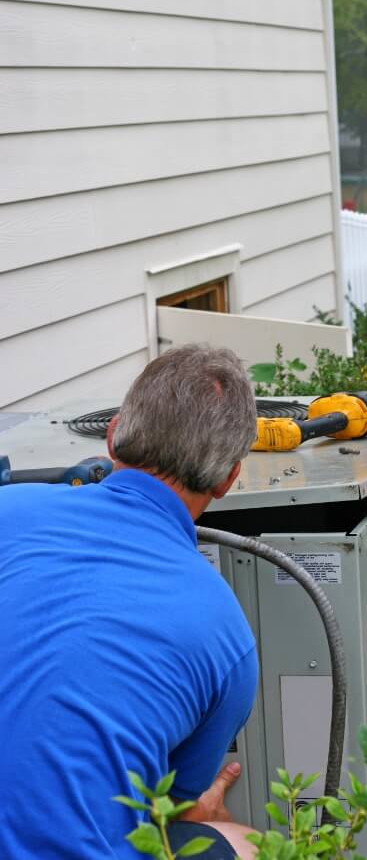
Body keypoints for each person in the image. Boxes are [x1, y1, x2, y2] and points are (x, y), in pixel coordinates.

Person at [0, 345, 260, 859]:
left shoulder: (9, 508)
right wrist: (208, 813)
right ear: (229, 478)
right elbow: (172, 808)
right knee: (250, 843)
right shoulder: (227, 635)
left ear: (114, 433)